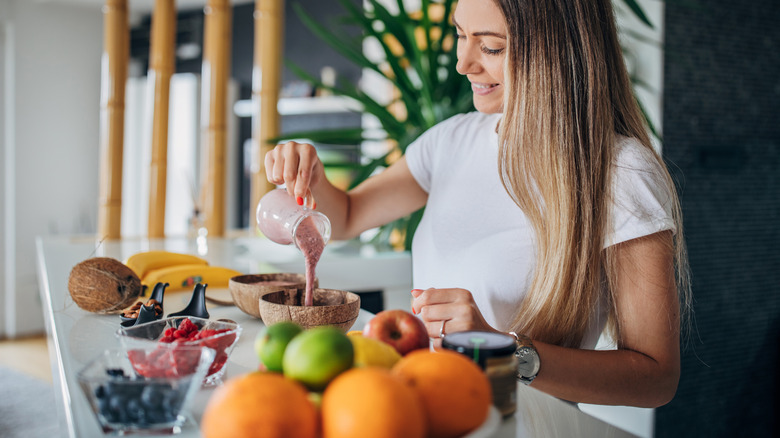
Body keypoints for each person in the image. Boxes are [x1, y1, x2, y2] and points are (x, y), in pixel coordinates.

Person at [264, 0, 690, 408]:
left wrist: (502, 348)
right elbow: (349, 216)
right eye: (460, 34)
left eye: (491, 47)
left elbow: (655, 378)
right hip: (426, 411)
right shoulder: (451, 140)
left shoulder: (619, 173)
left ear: (558, 51)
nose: (462, 63)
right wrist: (312, 174)